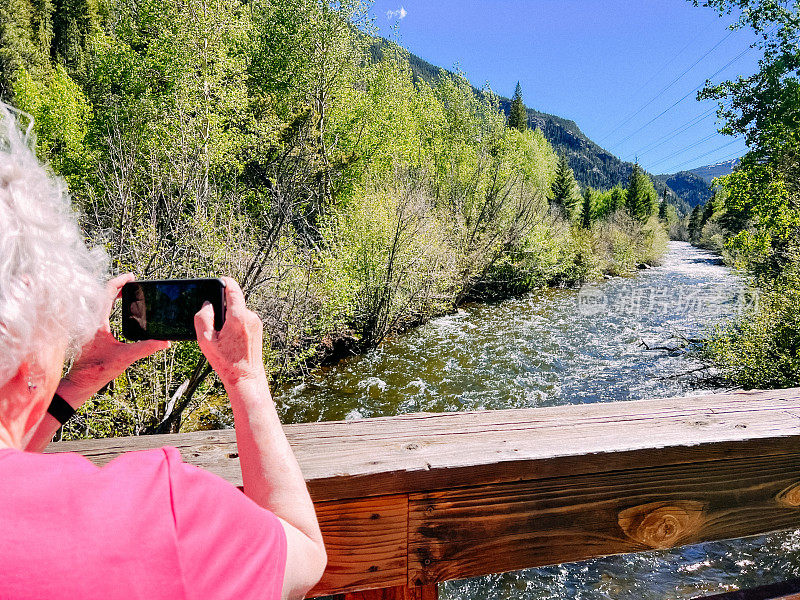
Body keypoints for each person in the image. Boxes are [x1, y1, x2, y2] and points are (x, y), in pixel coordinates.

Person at [0, 105, 326, 599]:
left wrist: (80, 380)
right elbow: (303, 554)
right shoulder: (165, 515)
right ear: (26, 362)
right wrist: (245, 378)